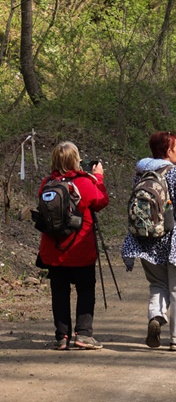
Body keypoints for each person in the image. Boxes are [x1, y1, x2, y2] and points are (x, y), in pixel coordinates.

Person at [122, 131, 176, 351]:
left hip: (146, 239)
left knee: (157, 284)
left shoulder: (141, 172)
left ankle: (156, 316)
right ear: (168, 150)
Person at [35, 142, 109, 350]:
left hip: (53, 250)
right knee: (85, 290)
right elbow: (101, 201)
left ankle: (62, 336)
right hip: (79, 249)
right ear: (76, 160)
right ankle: (83, 334)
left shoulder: (47, 183)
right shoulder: (84, 183)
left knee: (59, 293)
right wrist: (98, 178)